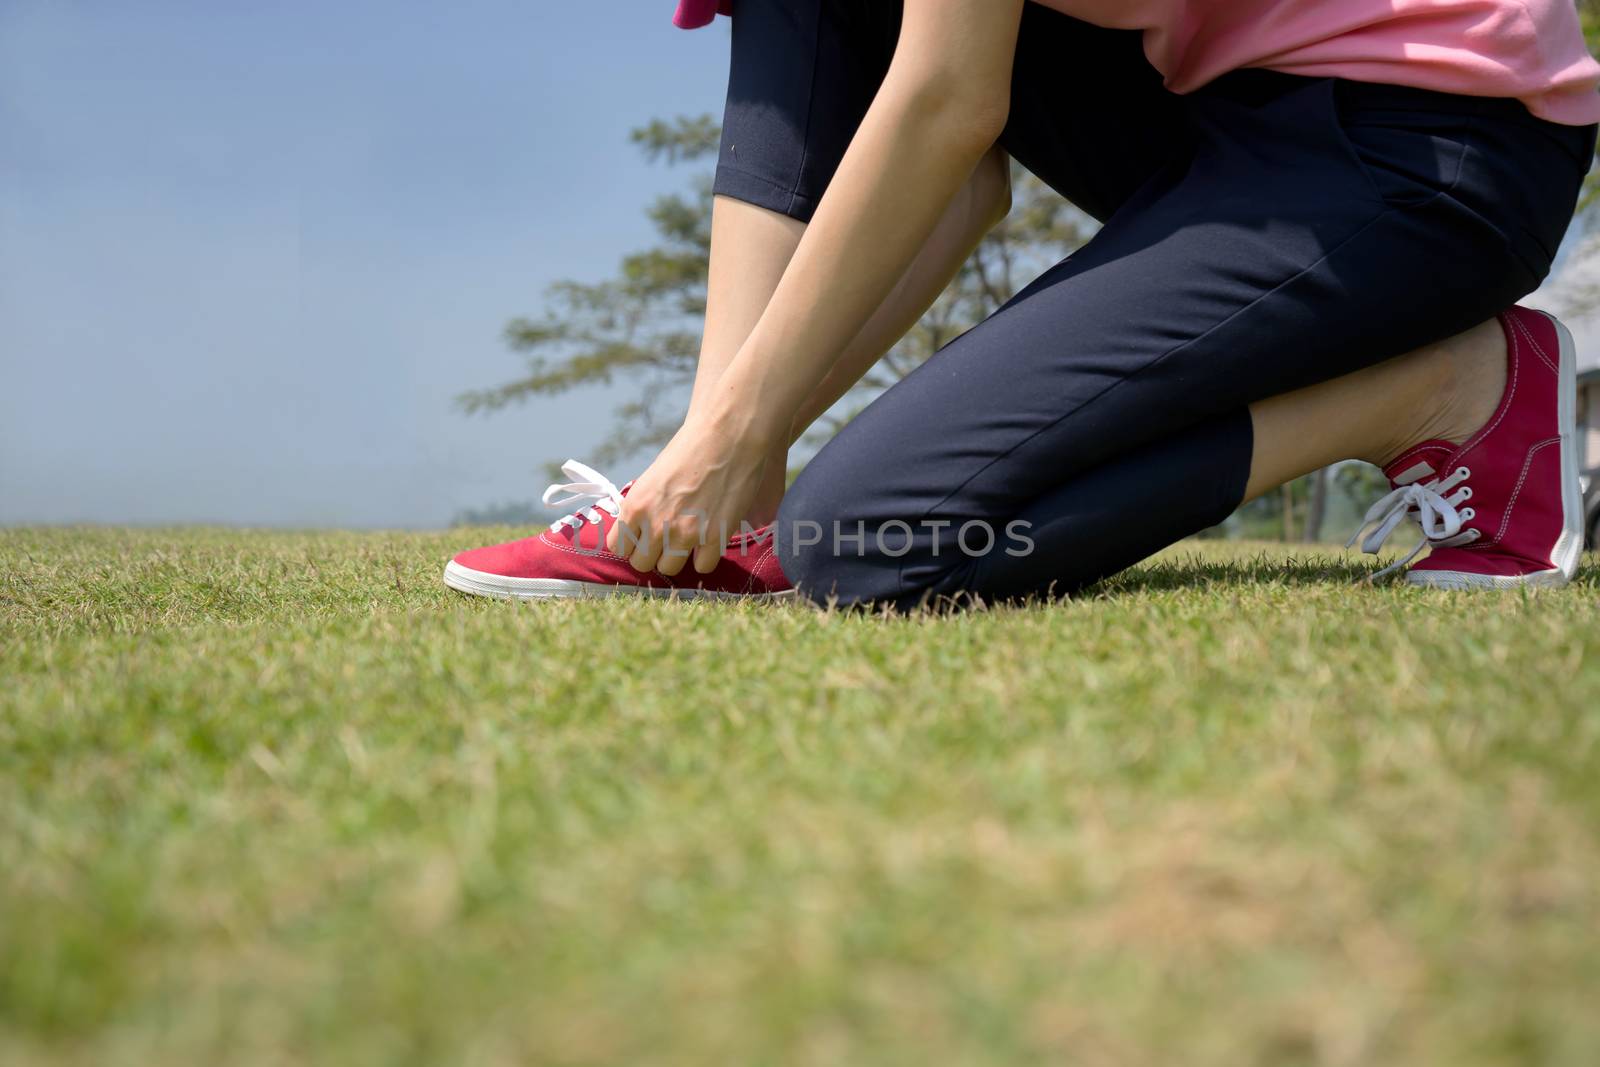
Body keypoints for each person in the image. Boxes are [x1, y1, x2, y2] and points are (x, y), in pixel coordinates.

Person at [445, 0, 1599, 607]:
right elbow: (951, 161)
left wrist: (741, 428)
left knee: (863, 545)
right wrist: (722, 437)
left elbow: (948, 101)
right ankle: (716, 486)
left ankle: (1437, 391)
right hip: (1226, 110)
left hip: (1430, 143)